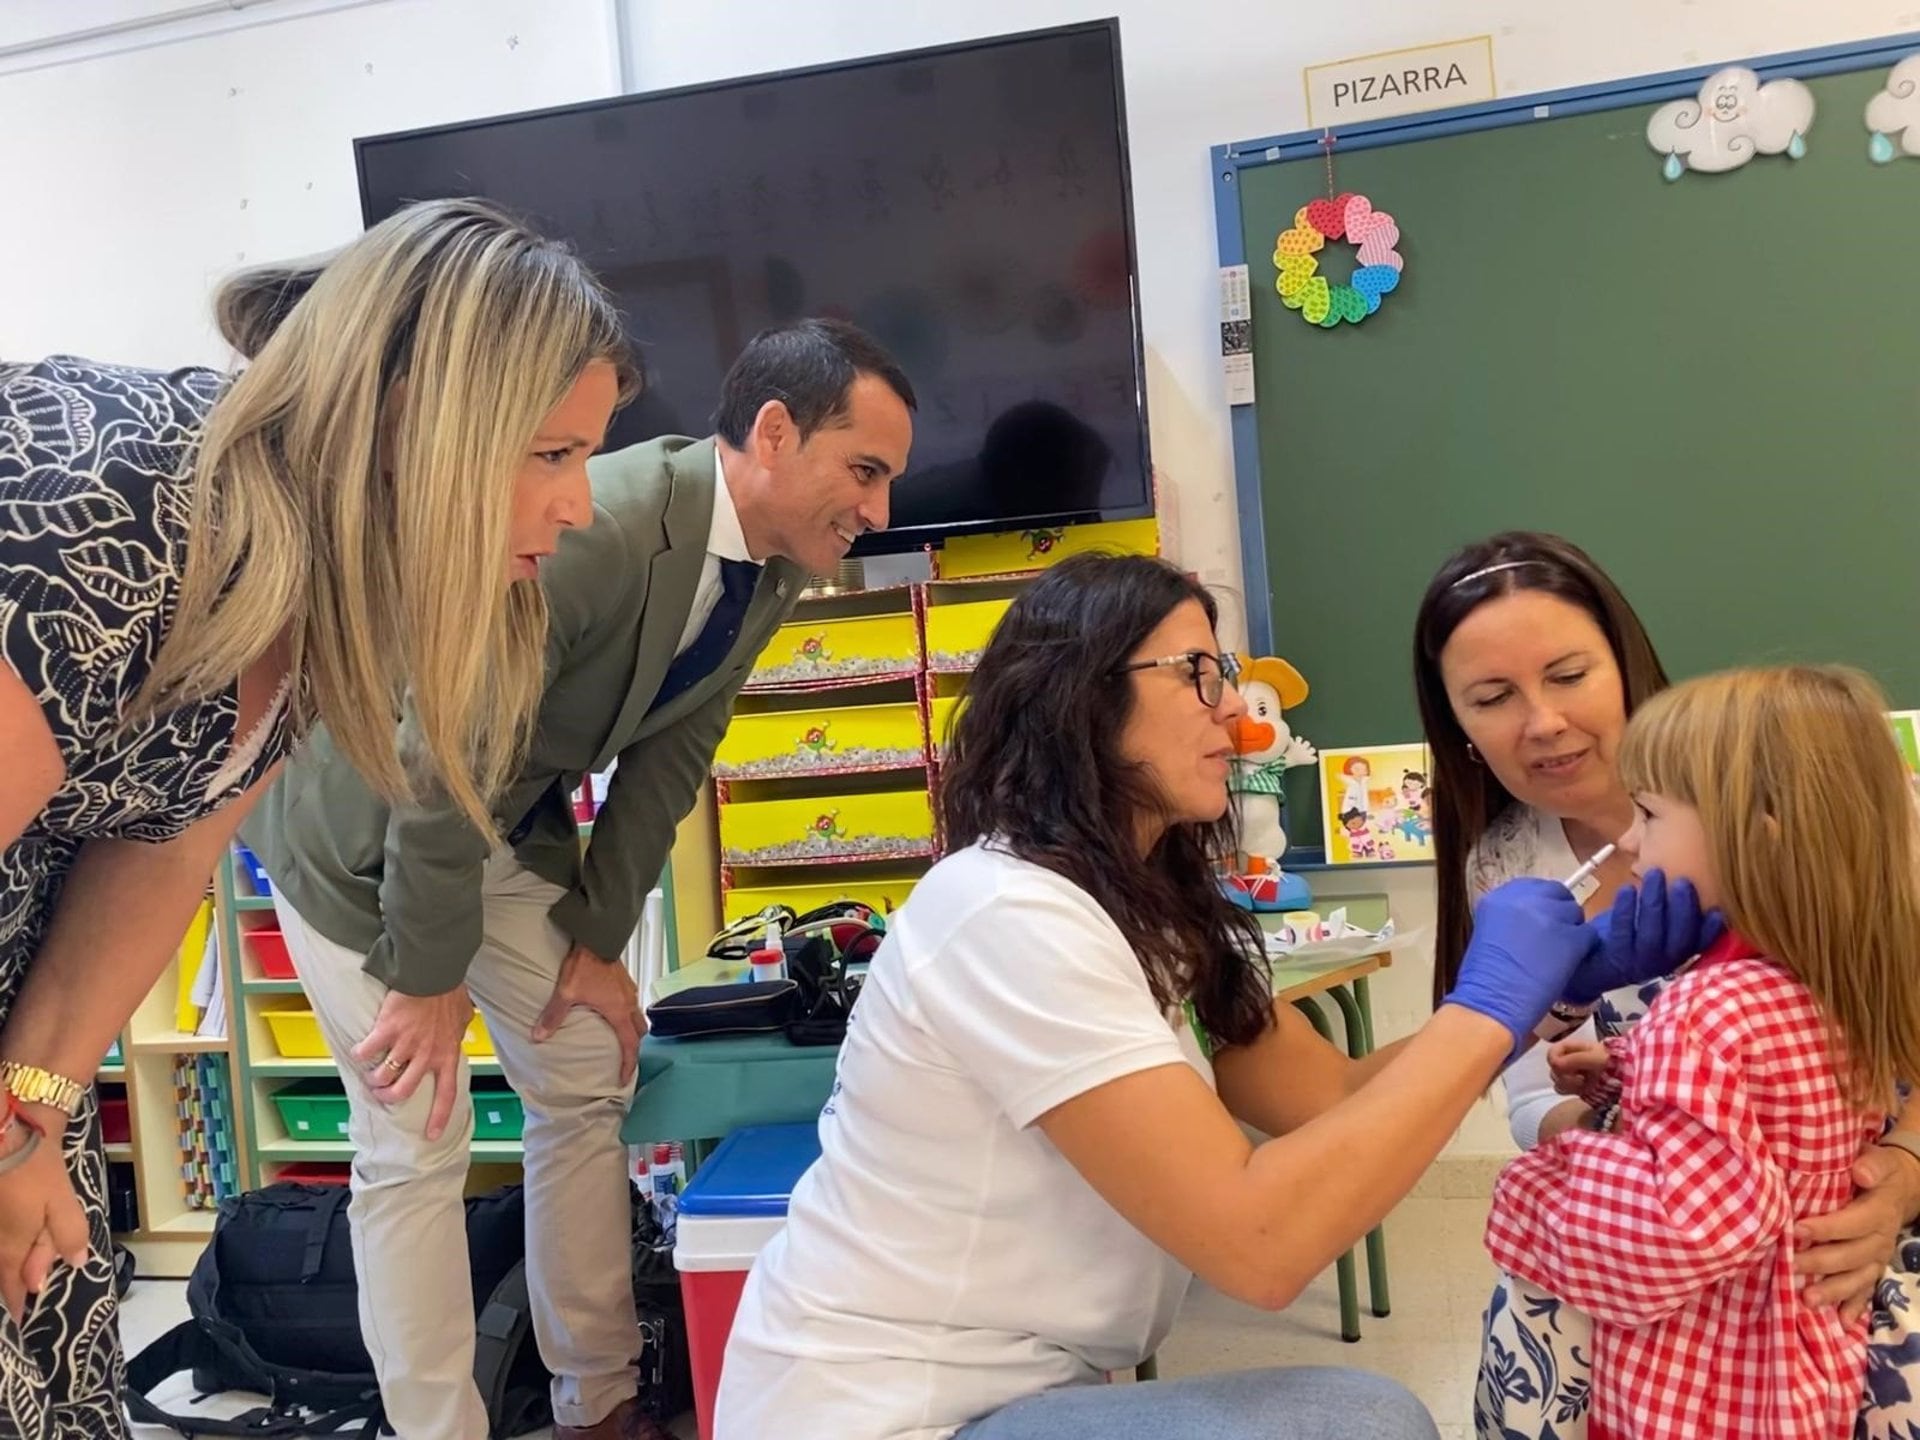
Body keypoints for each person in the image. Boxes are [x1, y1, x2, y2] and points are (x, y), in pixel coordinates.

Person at [715, 552, 1712, 1440]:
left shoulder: (1143, 909)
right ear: (1080, 699)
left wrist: (1545, 1003)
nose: (1232, 712)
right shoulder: (1005, 912)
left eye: (1223, 674)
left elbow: (1329, 1097)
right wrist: (1490, 1007)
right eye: (1195, 673)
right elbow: (1261, 1247)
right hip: (890, 1411)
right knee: (1363, 1422)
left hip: (1022, 1387)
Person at [0, 197, 632, 1440]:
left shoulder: (319, 580)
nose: (581, 506)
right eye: (551, 455)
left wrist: (33, 1102)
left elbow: (168, 838)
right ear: (416, 418)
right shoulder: (118, 508)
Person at [245, 318, 916, 1440]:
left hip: (490, 814)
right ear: (772, 431)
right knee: (416, 1135)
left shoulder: (774, 567)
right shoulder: (599, 526)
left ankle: (597, 1401)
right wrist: (427, 968)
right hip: (363, 823)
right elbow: (437, 743)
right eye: (865, 471)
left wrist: (599, 945)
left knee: (586, 1062)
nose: (879, 511)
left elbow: (674, 755)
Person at [1413, 530, 1920, 1310]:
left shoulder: (1820, 787)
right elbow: (1526, 1098)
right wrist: (1617, 1102)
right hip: (1662, 1245)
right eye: (1491, 698)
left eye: (1570, 674)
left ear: (1626, 667)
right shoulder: (1506, 868)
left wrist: (1902, 1172)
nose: (1543, 721)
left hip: (1843, 1242)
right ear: (1459, 729)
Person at [1474, 665, 1920, 1439]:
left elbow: (1683, 1228)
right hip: (1801, 1348)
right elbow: (1771, 1124)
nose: (1626, 837)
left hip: (1703, 1373)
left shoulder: (1707, 1006)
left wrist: (1543, 1189)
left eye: (1648, 812)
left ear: (1759, 836)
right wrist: (1631, 1080)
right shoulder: (1828, 976)